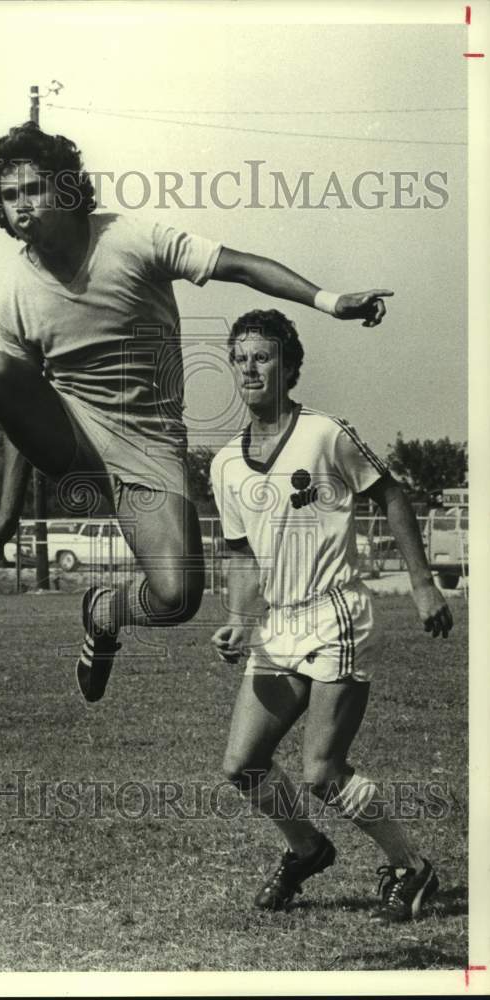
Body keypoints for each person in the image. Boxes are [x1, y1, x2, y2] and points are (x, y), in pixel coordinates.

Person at [0, 121, 393, 704]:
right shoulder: (15, 294)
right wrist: (7, 507)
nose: (21, 206)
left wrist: (329, 301)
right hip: (73, 440)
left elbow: (241, 265)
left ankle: (103, 612)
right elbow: (21, 408)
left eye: (34, 189)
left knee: (177, 599)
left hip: (149, 452)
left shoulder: (132, 239)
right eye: (9, 196)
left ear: (67, 189)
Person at [209, 308, 452, 923]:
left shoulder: (324, 433)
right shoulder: (225, 465)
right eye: (240, 359)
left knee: (320, 771)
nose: (249, 369)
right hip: (280, 625)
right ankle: (308, 848)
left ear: (289, 366)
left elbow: (391, 493)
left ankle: (411, 866)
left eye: (262, 357)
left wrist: (423, 586)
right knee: (244, 765)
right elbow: (241, 554)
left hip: (335, 615)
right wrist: (241, 619)